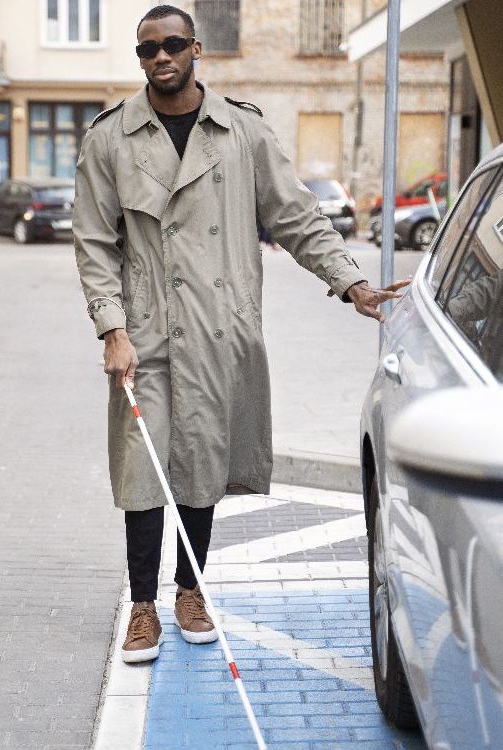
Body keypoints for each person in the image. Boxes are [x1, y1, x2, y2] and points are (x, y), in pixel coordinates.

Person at [73, 4, 410, 664]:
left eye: (172, 44)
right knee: (142, 472)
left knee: (202, 469)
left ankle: (189, 592)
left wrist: (352, 283)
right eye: (147, 50)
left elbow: (295, 218)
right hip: (144, 333)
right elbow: (92, 243)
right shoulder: (109, 138)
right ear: (139, 58)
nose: (161, 57)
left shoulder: (241, 132)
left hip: (218, 331)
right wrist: (111, 328)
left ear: (196, 49)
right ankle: (141, 606)